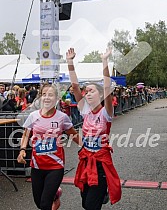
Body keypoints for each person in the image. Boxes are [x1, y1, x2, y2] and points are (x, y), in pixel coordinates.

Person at [66, 48, 122, 210]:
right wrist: (70, 62)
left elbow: (106, 88)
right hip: (86, 160)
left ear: (100, 94)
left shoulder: (106, 113)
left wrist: (105, 61)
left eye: (91, 91)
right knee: (85, 203)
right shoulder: (84, 110)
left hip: (100, 162)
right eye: (86, 91)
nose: (87, 93)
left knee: (91, 206)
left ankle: (100, 191)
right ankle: (100, 194)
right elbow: (75, 87)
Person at [17, 82, 81, 210]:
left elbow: (73, 135)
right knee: (39, 203)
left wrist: (88, 147)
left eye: (50, 95)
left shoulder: (62, 117)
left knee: (45, 204)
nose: (47, 97)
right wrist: (22, 150)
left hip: (55, 166)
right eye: (44, 94)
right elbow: (25, 135)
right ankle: (55, 196)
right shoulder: (33, 116)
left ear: (57, 98)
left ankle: (52, 196)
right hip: (37, 165)